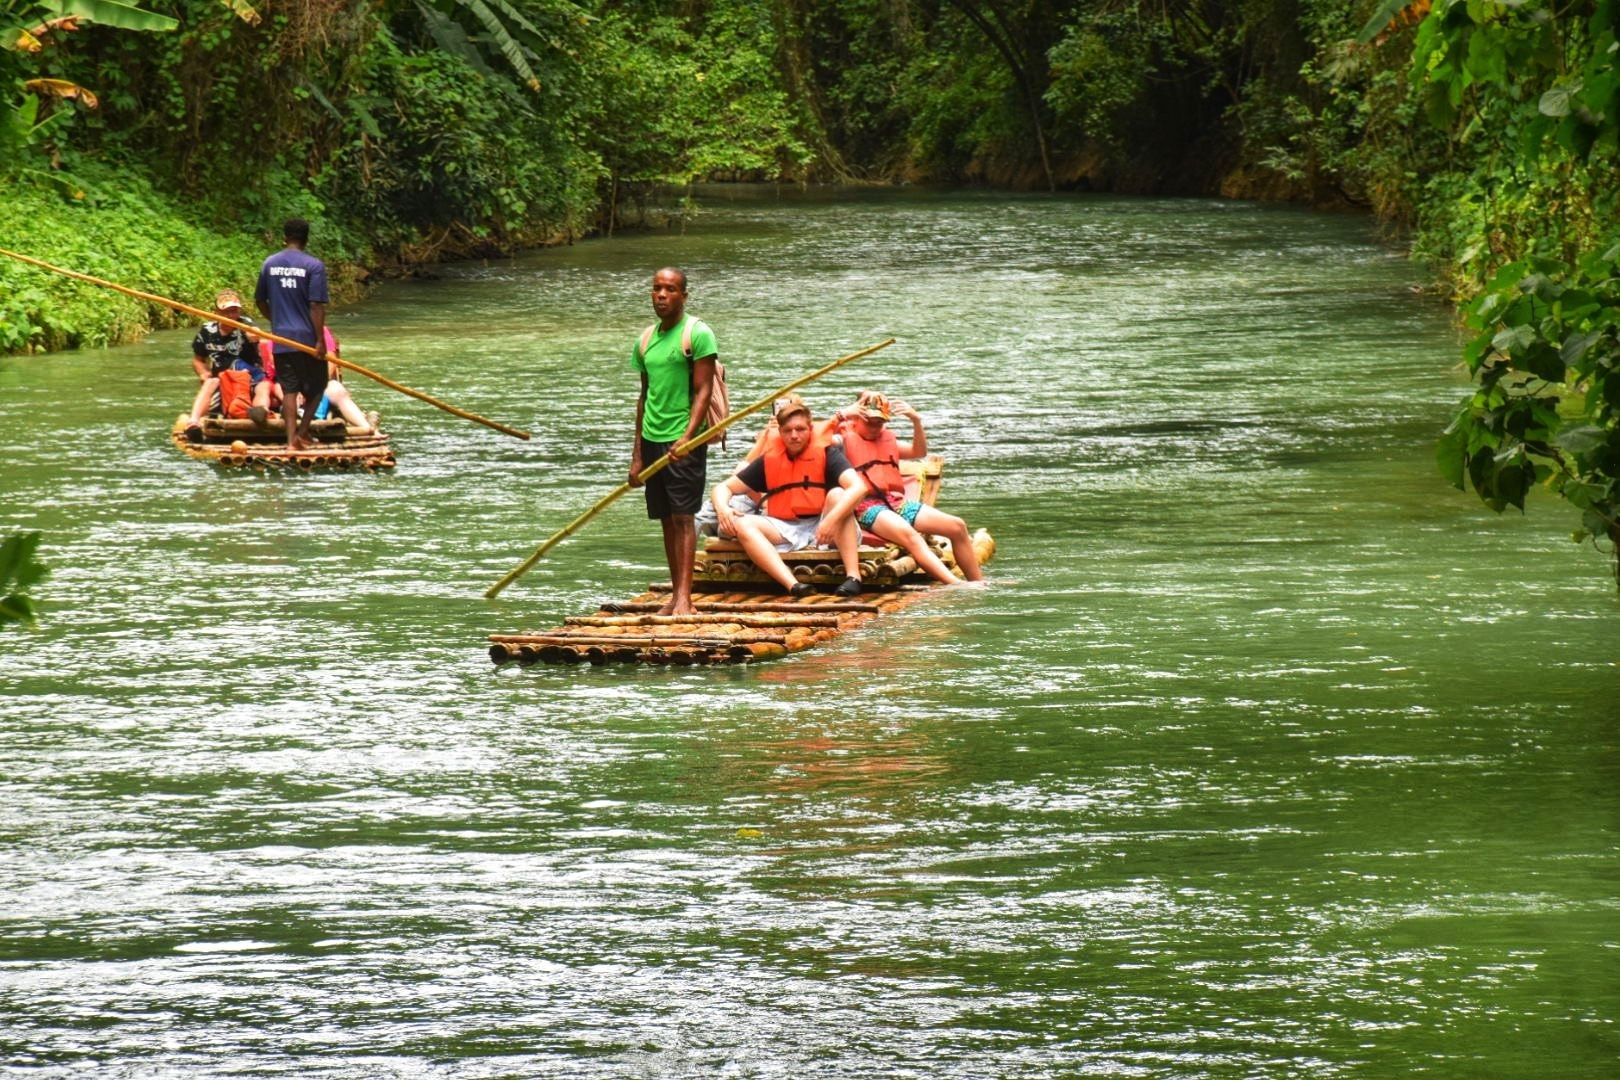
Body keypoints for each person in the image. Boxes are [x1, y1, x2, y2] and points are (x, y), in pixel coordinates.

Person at [710, 395, 867, 597]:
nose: (794, 436)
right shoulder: (770, 459)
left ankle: (853, 577)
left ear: (810, 430)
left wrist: (830, 521)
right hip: (785, 526)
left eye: (800, 429)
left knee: (838, 494)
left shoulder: (828, 454)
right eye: (788, 431)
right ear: (781, 433)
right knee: (741, 523)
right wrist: (723, 510)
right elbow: (722, 488)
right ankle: (793, 585)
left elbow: (859, 488)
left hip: (826, 525)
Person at [628, 267, 719, 616]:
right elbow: (643, 397)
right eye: (656, 289)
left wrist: (687, 438)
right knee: (666, 518)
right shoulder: (646, 340)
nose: (661, 295)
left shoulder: (698, 335)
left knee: (684, 517)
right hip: (653, 439)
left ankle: (685, 597)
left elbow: (703, 391)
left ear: (683, 295)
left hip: (684, 441)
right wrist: (637, 456)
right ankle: (674, 597)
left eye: (669, 289)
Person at [837, 392, 984, 583]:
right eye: (869, 421)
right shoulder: (841, 441)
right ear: (856, 418)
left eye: (879, 422)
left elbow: (919, 451)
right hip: (865, 507)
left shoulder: (887, 441)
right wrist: (841, 414)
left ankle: (978, 582)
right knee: (911, 536)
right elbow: (816, 438)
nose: (874, 427)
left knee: (957, 526)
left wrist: (916, 421)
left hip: (895, 504)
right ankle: (956, 584)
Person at [255, 217, 330, 451]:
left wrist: (276, 321)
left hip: (281, 338)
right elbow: (316, 306)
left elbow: (260, 300)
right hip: (307, 338)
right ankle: (303, 431)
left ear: (285, 237)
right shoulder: (313, 265)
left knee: (289, 389)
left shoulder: (270, 264)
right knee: (318, 387)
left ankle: (290, 441)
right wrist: (319, 340)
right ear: (306, 239)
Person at [183, 289, 259, 441]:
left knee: (217, 380)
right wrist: (203, 372)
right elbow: (198, 359)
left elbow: (255, 333)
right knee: (211, 381)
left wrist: (254, 335)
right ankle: (194, 422)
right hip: (219, 380)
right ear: (216, 313)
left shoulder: (245, 324)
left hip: (246, 377)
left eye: (234, 311)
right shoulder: (207, 331)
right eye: (227, 312)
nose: (231, 316)